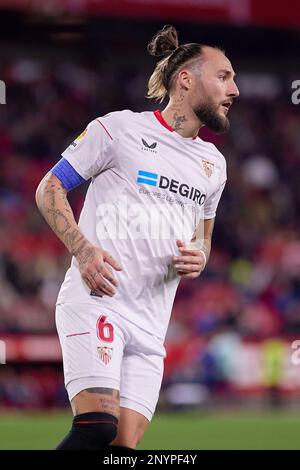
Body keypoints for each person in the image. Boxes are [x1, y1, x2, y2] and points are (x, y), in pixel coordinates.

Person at [35, 24, 239, 450]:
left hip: (151, 325)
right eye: (224, 76)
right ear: (186, 79)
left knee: (121, 451)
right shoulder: (119, 130)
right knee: (97, 427)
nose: (234, 89)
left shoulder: (213, 165)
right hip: (98, 300)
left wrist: (200, 256)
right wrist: (84, 250)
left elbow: (203, 239)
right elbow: (49, 187)